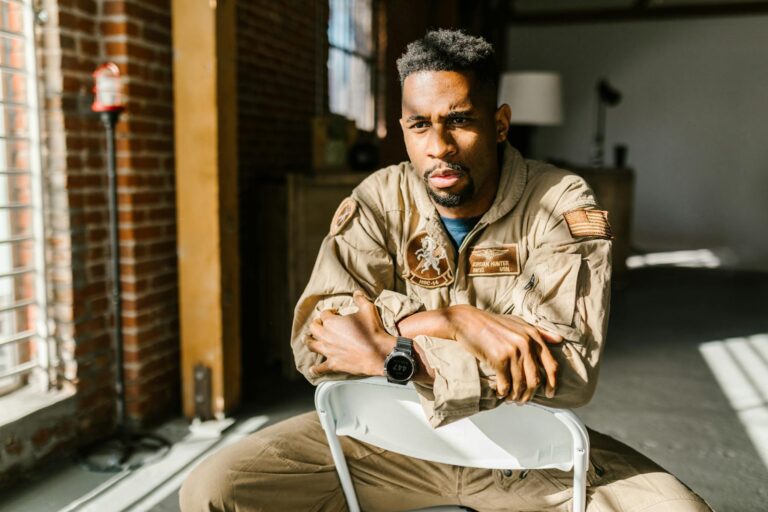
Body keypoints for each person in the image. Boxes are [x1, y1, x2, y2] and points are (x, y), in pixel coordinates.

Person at [180, 29, 711, 511]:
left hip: (524, 454)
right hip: (385, 448)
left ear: (499, 123)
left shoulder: (562, 202)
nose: (438, 148)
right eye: (420, 126)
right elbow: (317, 338)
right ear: (403, 128)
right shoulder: (379, 198)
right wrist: (452, 322)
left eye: (459, 121)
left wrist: (391, 348)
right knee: (214, 491)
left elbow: (566, 372)